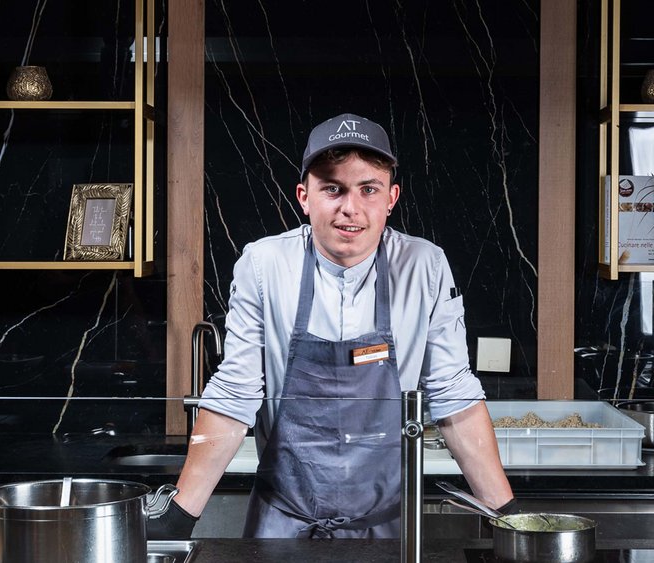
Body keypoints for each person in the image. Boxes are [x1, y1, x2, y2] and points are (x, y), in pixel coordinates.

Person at [149, 113, 514, 540]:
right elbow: (235, 392)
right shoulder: (264, 265)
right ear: (304, 196)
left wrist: (505, 514)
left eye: (368, 189)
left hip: (389, 530)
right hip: (280, 524)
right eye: (332, 188)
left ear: (391, 197)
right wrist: (181, 514)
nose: (350, 208)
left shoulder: (425, 266)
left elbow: (453, 395)